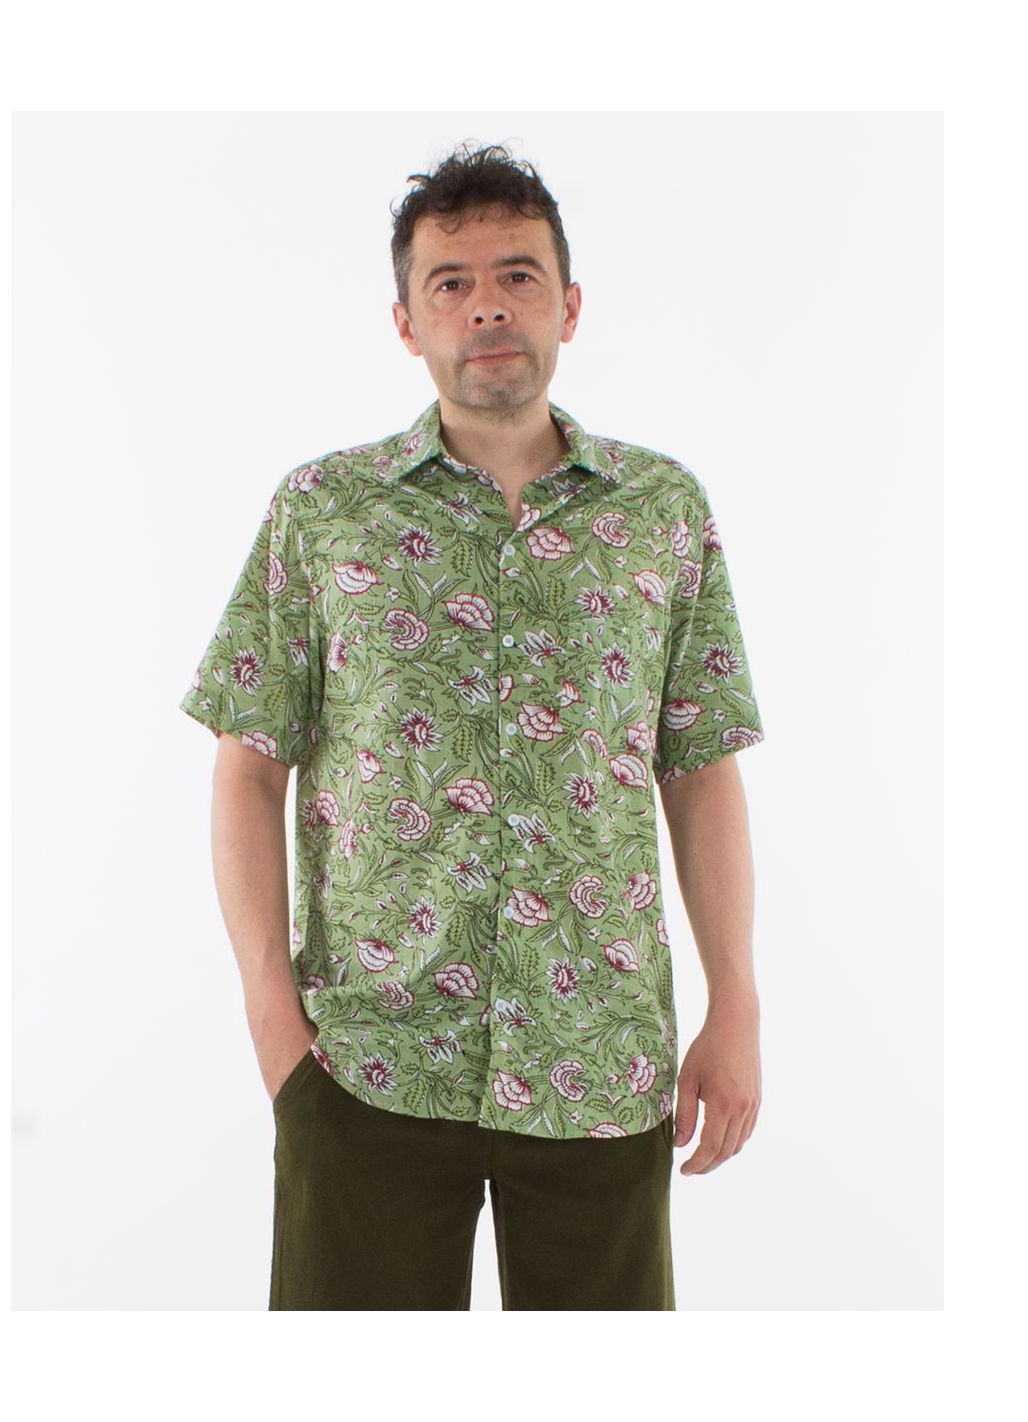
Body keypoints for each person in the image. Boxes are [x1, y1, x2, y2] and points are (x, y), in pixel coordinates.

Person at [179, 141, 766, 1310]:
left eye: (517, 275)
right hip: (367, 1060)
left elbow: (697, 769)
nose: (486, 306)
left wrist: (734, 1003)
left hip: (598, 1057)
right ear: (406, 322)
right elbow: (247, 766)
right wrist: (275, 1027)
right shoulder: (321, 511)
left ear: (569, 306)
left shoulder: (661, 509)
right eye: (450, 283)